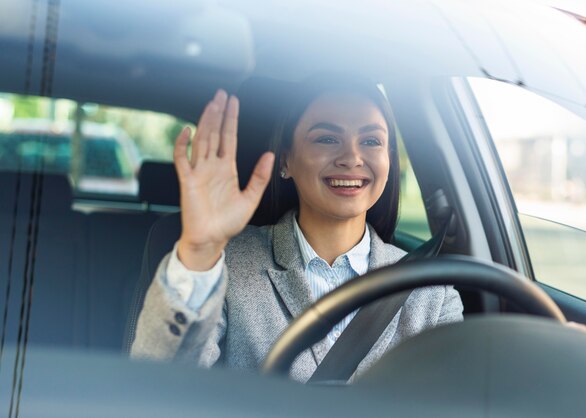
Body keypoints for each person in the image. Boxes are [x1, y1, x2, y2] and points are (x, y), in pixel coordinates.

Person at [130, 77, 464, 382]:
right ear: (286, 161)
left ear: (389, 162)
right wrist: (200, 251)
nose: (352, 157)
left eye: (372, 141)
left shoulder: (431, 289)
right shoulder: (227, 265)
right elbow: (159, 385)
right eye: (328, 138)